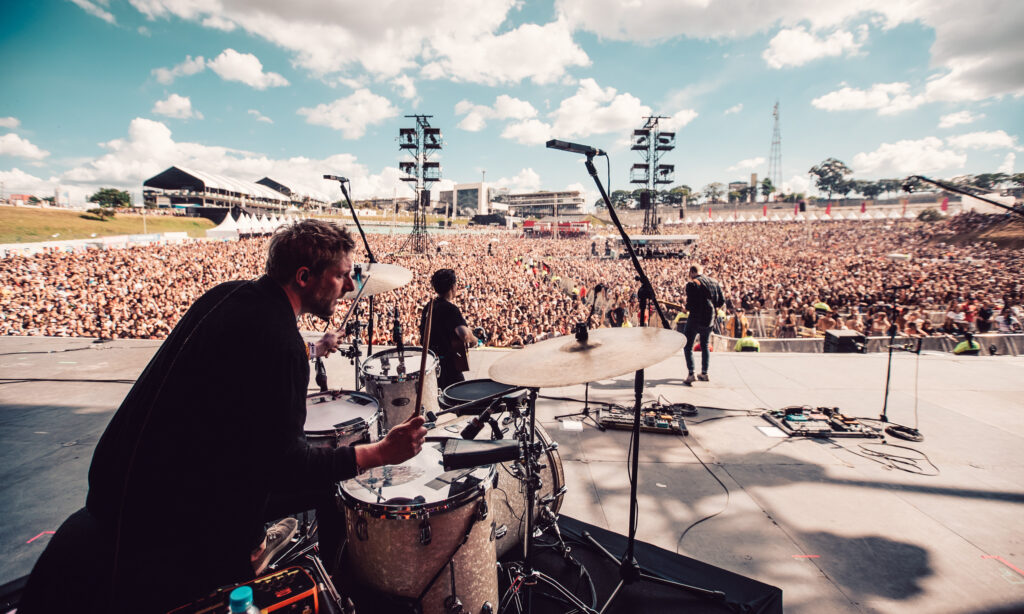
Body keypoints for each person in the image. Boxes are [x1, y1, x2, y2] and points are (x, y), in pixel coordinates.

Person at [18, 220, 428, 614]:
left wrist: (313, 349)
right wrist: (377, 453)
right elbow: (286, 466)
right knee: (328, 488)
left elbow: (241, 359)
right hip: (169, 513)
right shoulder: (279, 342)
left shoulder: (227, 295)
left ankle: (264, 543)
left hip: (121, 483)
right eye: (341, 276)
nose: (350, 287)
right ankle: (322, 586)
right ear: (305, 276)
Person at [420, 268, 477, 390]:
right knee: (458, 401)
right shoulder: (450, 309)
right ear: (453, 287)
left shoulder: (428, 307)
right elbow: (464, 335)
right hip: (449, 367)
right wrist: (474, 339)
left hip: (431, 364)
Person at [683, 264, 723, 385]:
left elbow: (690, 305)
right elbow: (721, 301)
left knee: (688, 345)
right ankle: (704, 373)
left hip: (695, 318)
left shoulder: (692, 284)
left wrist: (685, 309)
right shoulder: (714, 282)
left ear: (692, 272)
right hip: (709, 319)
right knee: (705, 345)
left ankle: (691, 373)